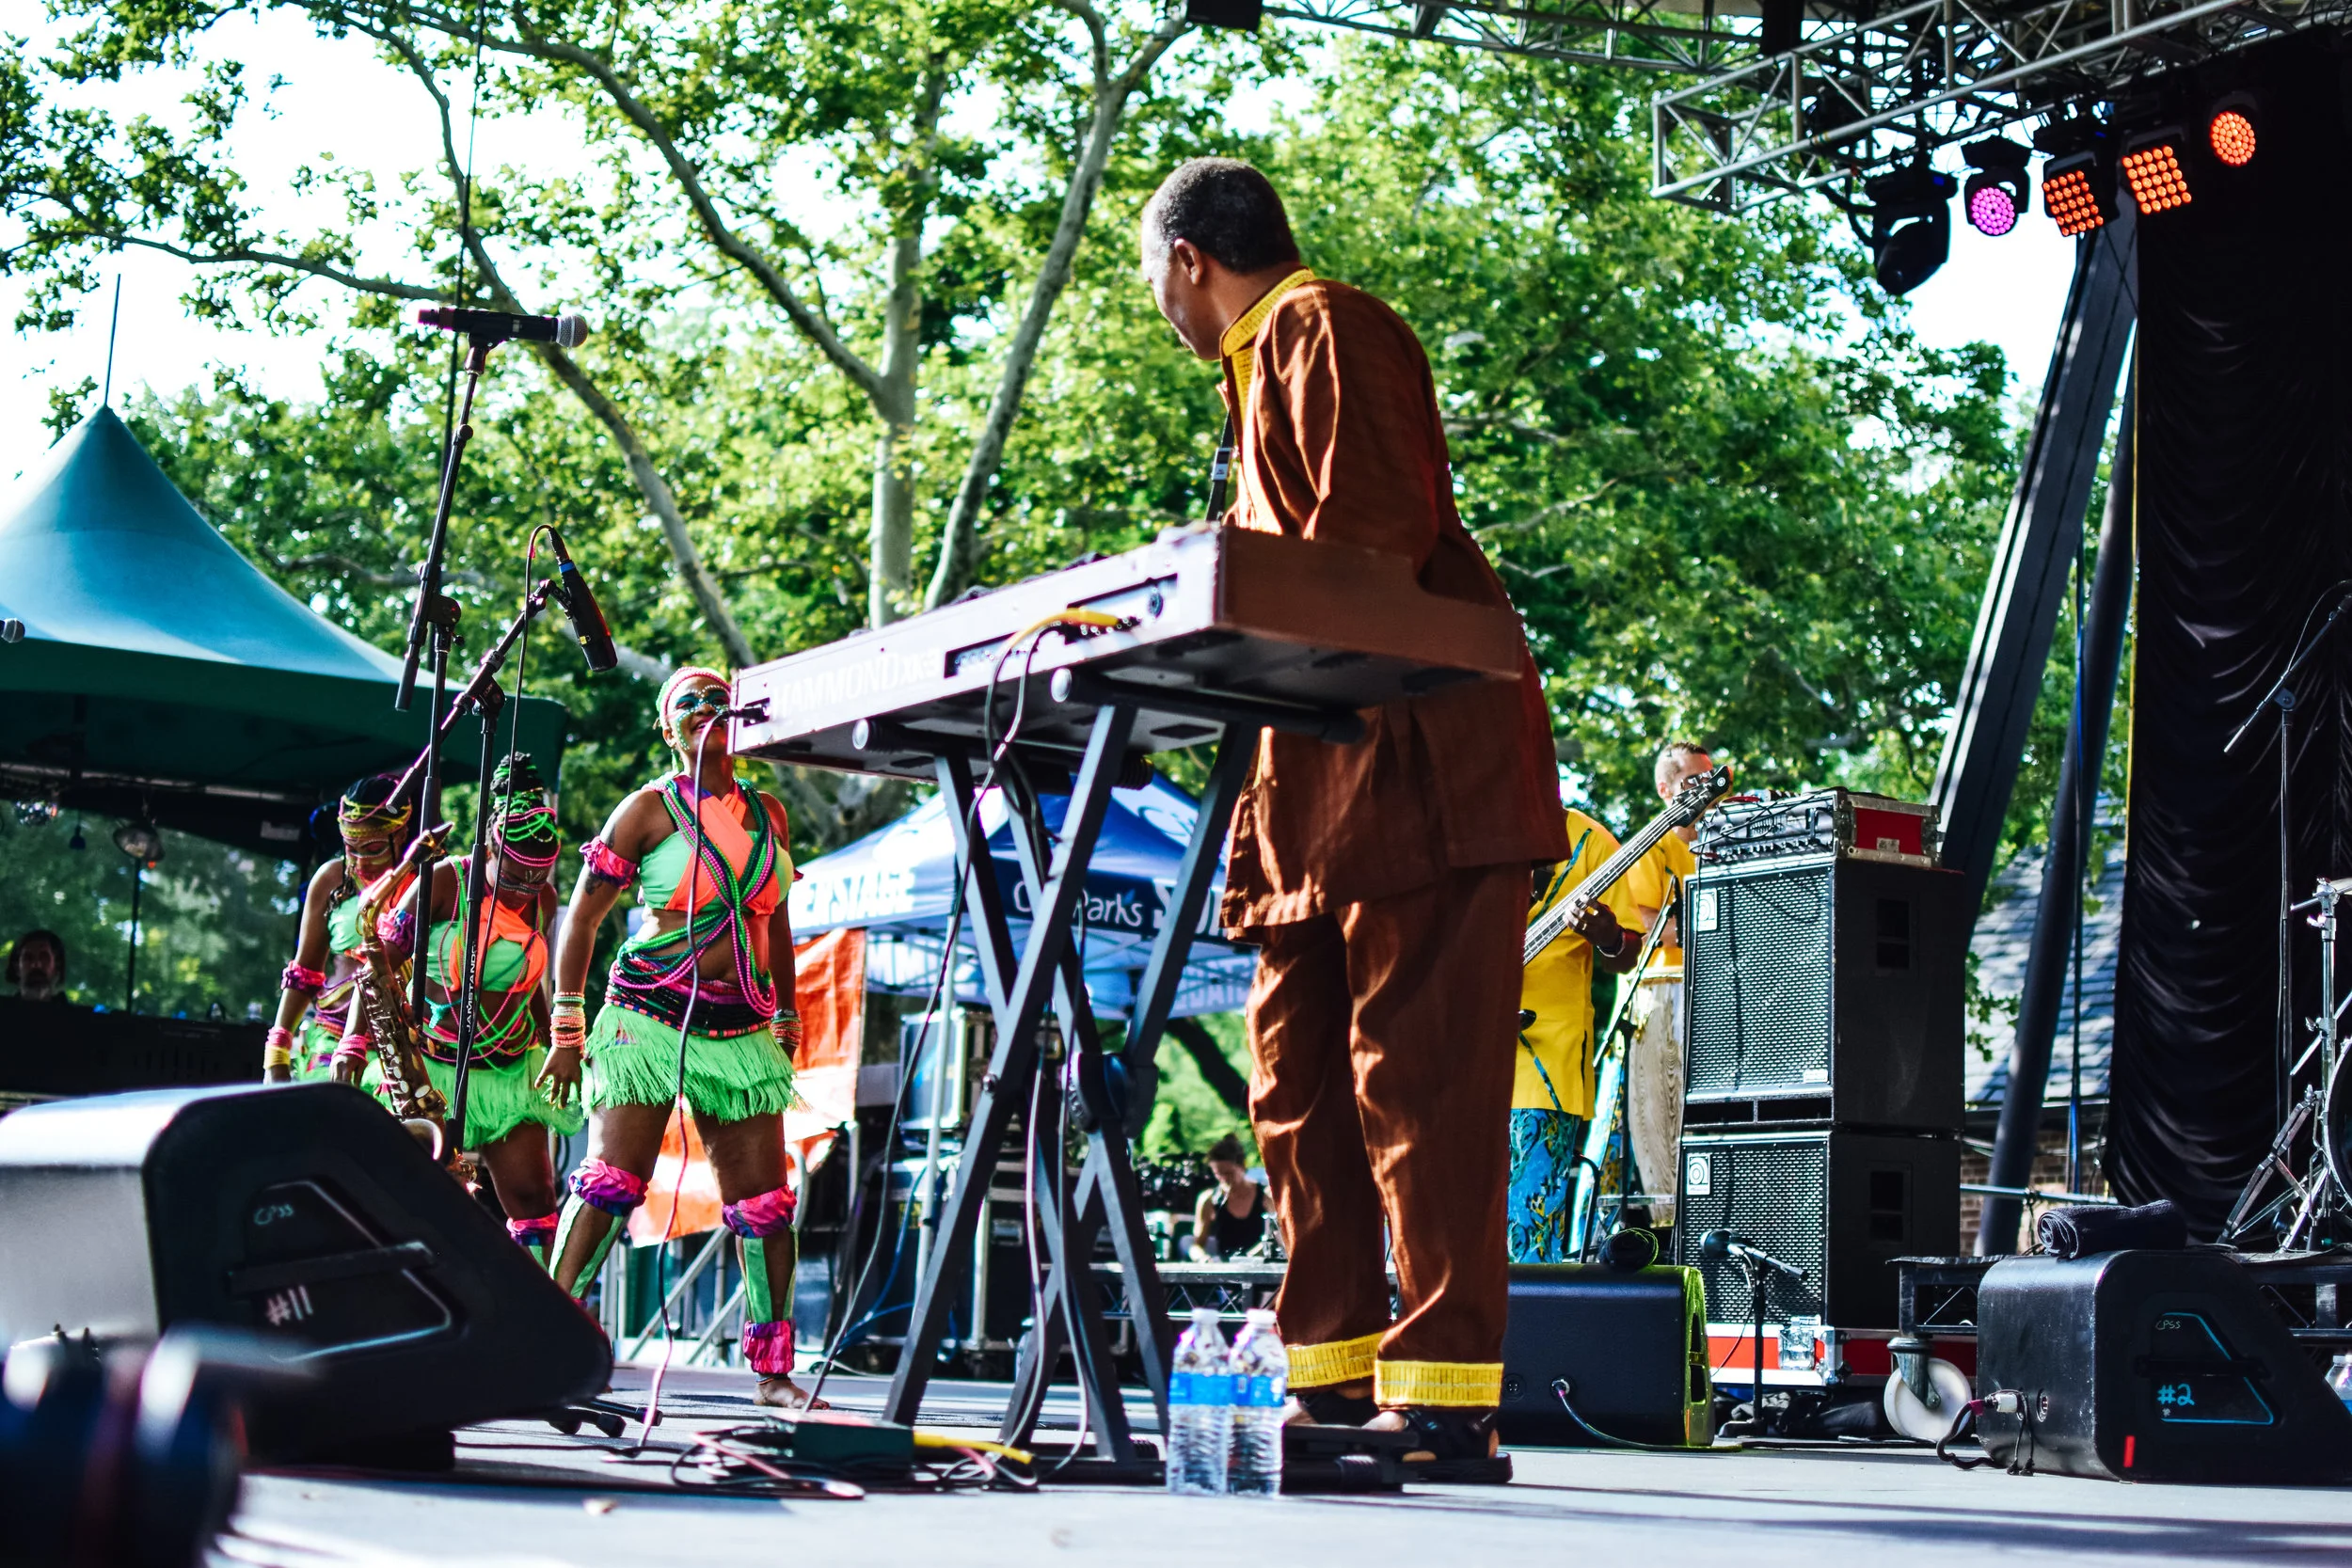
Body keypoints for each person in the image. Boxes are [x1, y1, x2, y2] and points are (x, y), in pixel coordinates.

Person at [1140, 156, 1574, 1464]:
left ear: (1188, 260)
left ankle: (1444, 1397)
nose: (1156, 302)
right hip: (1308, 788)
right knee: (1299, 1091)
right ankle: (1329, 1373)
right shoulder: (1258, 366)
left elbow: (1373, 544)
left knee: (1420, 1084)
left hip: (1416, 768)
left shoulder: (1326, 324)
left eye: (1151, 277)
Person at [542, 668, 817, 1408]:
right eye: (686, 702)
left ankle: (774, 1375)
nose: (705, 709)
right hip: (647, 1013)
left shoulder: (770, 814)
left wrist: (787, 1013)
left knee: (765, 1203)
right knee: (611, 1181)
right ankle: (538, 1342)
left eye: (716, 697)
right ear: (668, 729)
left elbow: (776, 924)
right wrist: (567, 1027)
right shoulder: (646, 810)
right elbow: (581, 920)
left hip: (742, 1022)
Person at [389, 753, 585, 1263]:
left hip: (510, 1068)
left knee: (535, 1200)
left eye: (536, 877)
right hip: (433, 1066)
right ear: (493, 841)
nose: (526, 890)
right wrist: (356, 1040)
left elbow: (534, 984)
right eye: (516, 875)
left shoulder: (543, 898)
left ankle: (539, 1316)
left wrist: (556, 1043)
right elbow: (378, 962)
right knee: (427, 1198)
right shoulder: (446, 881)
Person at [1512, 808, 1643, 1263]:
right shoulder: (1468, 826)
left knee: (1529, 1228)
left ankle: (1529, 1331)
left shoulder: (1591, 841)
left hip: (1548, 1059)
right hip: (1463, 1057)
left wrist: (1608, 937)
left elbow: (1626, 953)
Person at [1615, 741, 1714, 1229]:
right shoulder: (1650, 844)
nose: (1707, 794)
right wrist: (1722, 922)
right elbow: (1651, 925)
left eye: (1711, 782)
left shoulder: (1720, 841)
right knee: (1663, 1131)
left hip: (1711, 991)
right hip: (1662, 994)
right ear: (1665, 789)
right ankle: (1671, 1233)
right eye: (1692, 783)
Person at [264, 776, 416, 1085]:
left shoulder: (428, 883)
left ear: (400, 833)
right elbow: (304, 971)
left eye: (372, 848)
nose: (360, 860)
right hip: (331, 1038)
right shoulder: (333, 879)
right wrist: (277, 1049)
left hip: (405, 1041)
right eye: (351, 848)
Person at [1188, 1134, 1270, 1261]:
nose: (1224, 1179)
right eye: (1218, 1174)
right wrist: (1203, 1259)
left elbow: (1277, 1237)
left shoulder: (1265, 1196)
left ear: (1242, 1166)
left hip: (1261, 1266)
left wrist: (1248, 1258)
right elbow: (1196, 1246)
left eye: (1229, 1173)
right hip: (1226, 1270)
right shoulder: (1209, 1199)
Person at [6, 931, 66, 1003]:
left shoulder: (72, 1013)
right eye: (28, 958)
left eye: (44, 957)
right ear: (17, 967)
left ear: (56, 966)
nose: (36, 964)